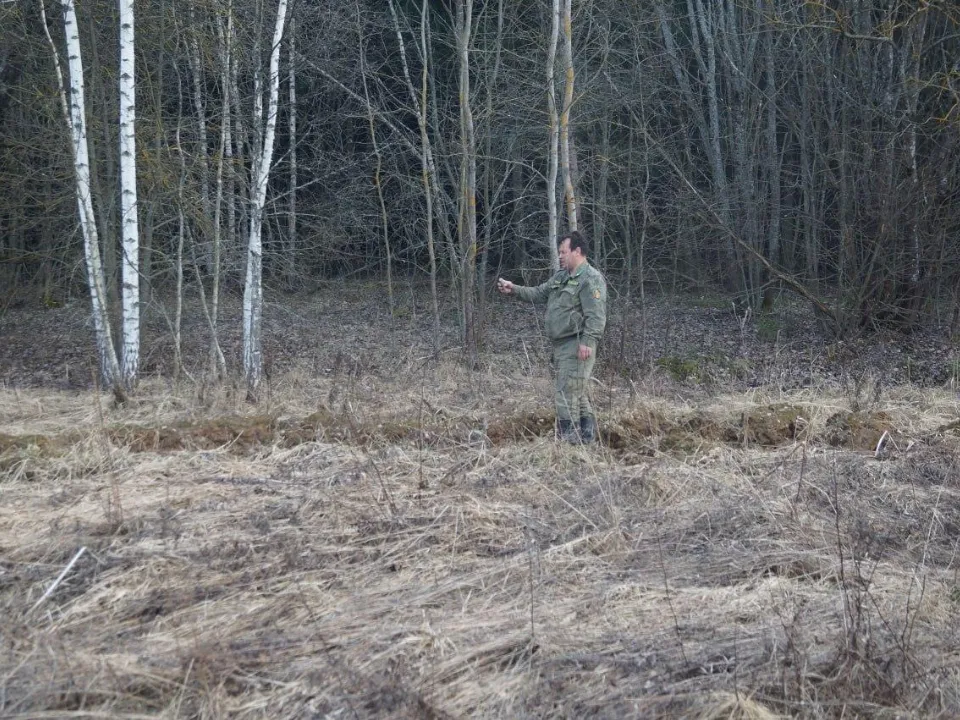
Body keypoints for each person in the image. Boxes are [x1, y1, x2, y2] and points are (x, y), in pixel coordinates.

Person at [497, 231, 607, 444]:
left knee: (566, 394)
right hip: (562, 345)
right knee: (576, 391)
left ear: (577, 251)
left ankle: (569, 442)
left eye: (563, 252)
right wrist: (514, 289)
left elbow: (596, 316)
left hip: (577, 344)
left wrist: (588, 342)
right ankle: (586, 437)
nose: (560, 256)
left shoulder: (590, 279)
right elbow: (539, 293)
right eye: (559, 253)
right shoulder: (561, 276)